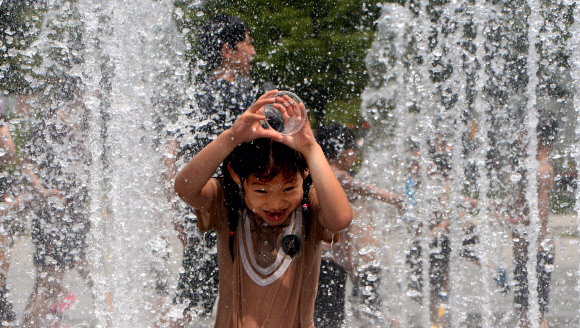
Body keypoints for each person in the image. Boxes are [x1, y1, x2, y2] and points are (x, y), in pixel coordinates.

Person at [174, 90, 353, 327]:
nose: (276, 203)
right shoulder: (227, 205)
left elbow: (340, 218)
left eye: (289, 189)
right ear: (237, 177)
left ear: (305, 173)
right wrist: (232, 137)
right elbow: (185, 188)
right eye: (261, 191)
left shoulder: (309, 209)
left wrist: (310, 148)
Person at [162, 14, 258, 325]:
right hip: (241, 210)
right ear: (228, 51)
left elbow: (171, 153)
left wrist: (178, 208)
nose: (253, 51)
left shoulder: (197, 94)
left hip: (205, 205)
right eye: (248, 42)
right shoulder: (244, 99)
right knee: (245, 296)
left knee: (191, 300)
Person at [313, 123, 402, 328]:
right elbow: (366, 188)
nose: (354, 156)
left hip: (323, 260)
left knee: (322, 317)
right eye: (353, 150)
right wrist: (396, 200)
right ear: (344, 151)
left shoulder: (316, 172)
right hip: (328, 262)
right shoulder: (336, 175)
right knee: (329, 320)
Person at [21, 76, 93, 327]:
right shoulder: (51, 124)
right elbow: (27, 161)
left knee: (96, 277)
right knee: (47, 283)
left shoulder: (85, 124)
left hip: (78, 216)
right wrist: (42, 190)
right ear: (77, 90)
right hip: (54, 217)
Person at [504, 116, 557, 328]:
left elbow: (539, 216)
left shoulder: (542, 171)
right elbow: (518, 205)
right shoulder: (532, 168)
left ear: (539, 138)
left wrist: (507, 219)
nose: (519, 137)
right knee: (524, 315)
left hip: (536, 250)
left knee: (534, 317)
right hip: (525, 250)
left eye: (524, 132)